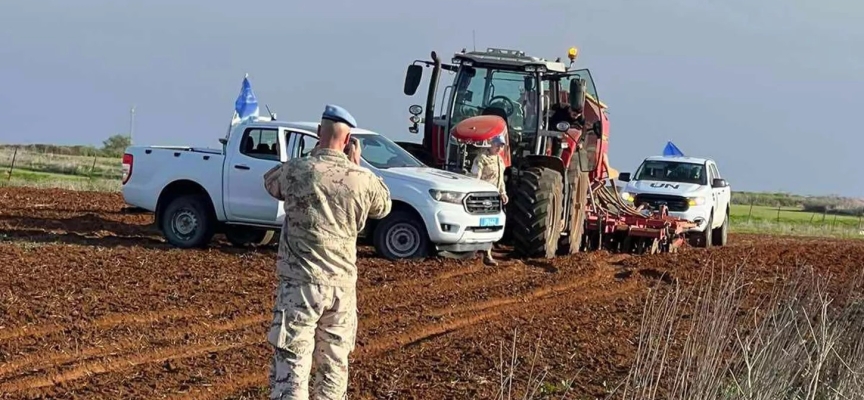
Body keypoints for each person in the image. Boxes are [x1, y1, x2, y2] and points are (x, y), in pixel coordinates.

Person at [262, 104, 392, 400]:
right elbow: (383, 206)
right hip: (341, 288)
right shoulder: (361, 179)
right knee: (333, 367)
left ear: (318, 133)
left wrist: (310, 158)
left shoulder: (297, 170)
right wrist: (357, 165)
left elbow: (270, 183)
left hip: (301, 285)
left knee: (292, 366)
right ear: (348, 142)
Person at [469, 133, 508, 266]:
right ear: (491, 145)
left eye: (501, 146)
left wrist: (503, 193)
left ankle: (487, 254)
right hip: (483, 196)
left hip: (495, 197)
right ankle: (472, 253)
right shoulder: (481, 158)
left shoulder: (499, 160)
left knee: (491, 225)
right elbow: (475, 178)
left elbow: (501, 179)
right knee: (479, 224)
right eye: (497, 145)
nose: (499, 148)